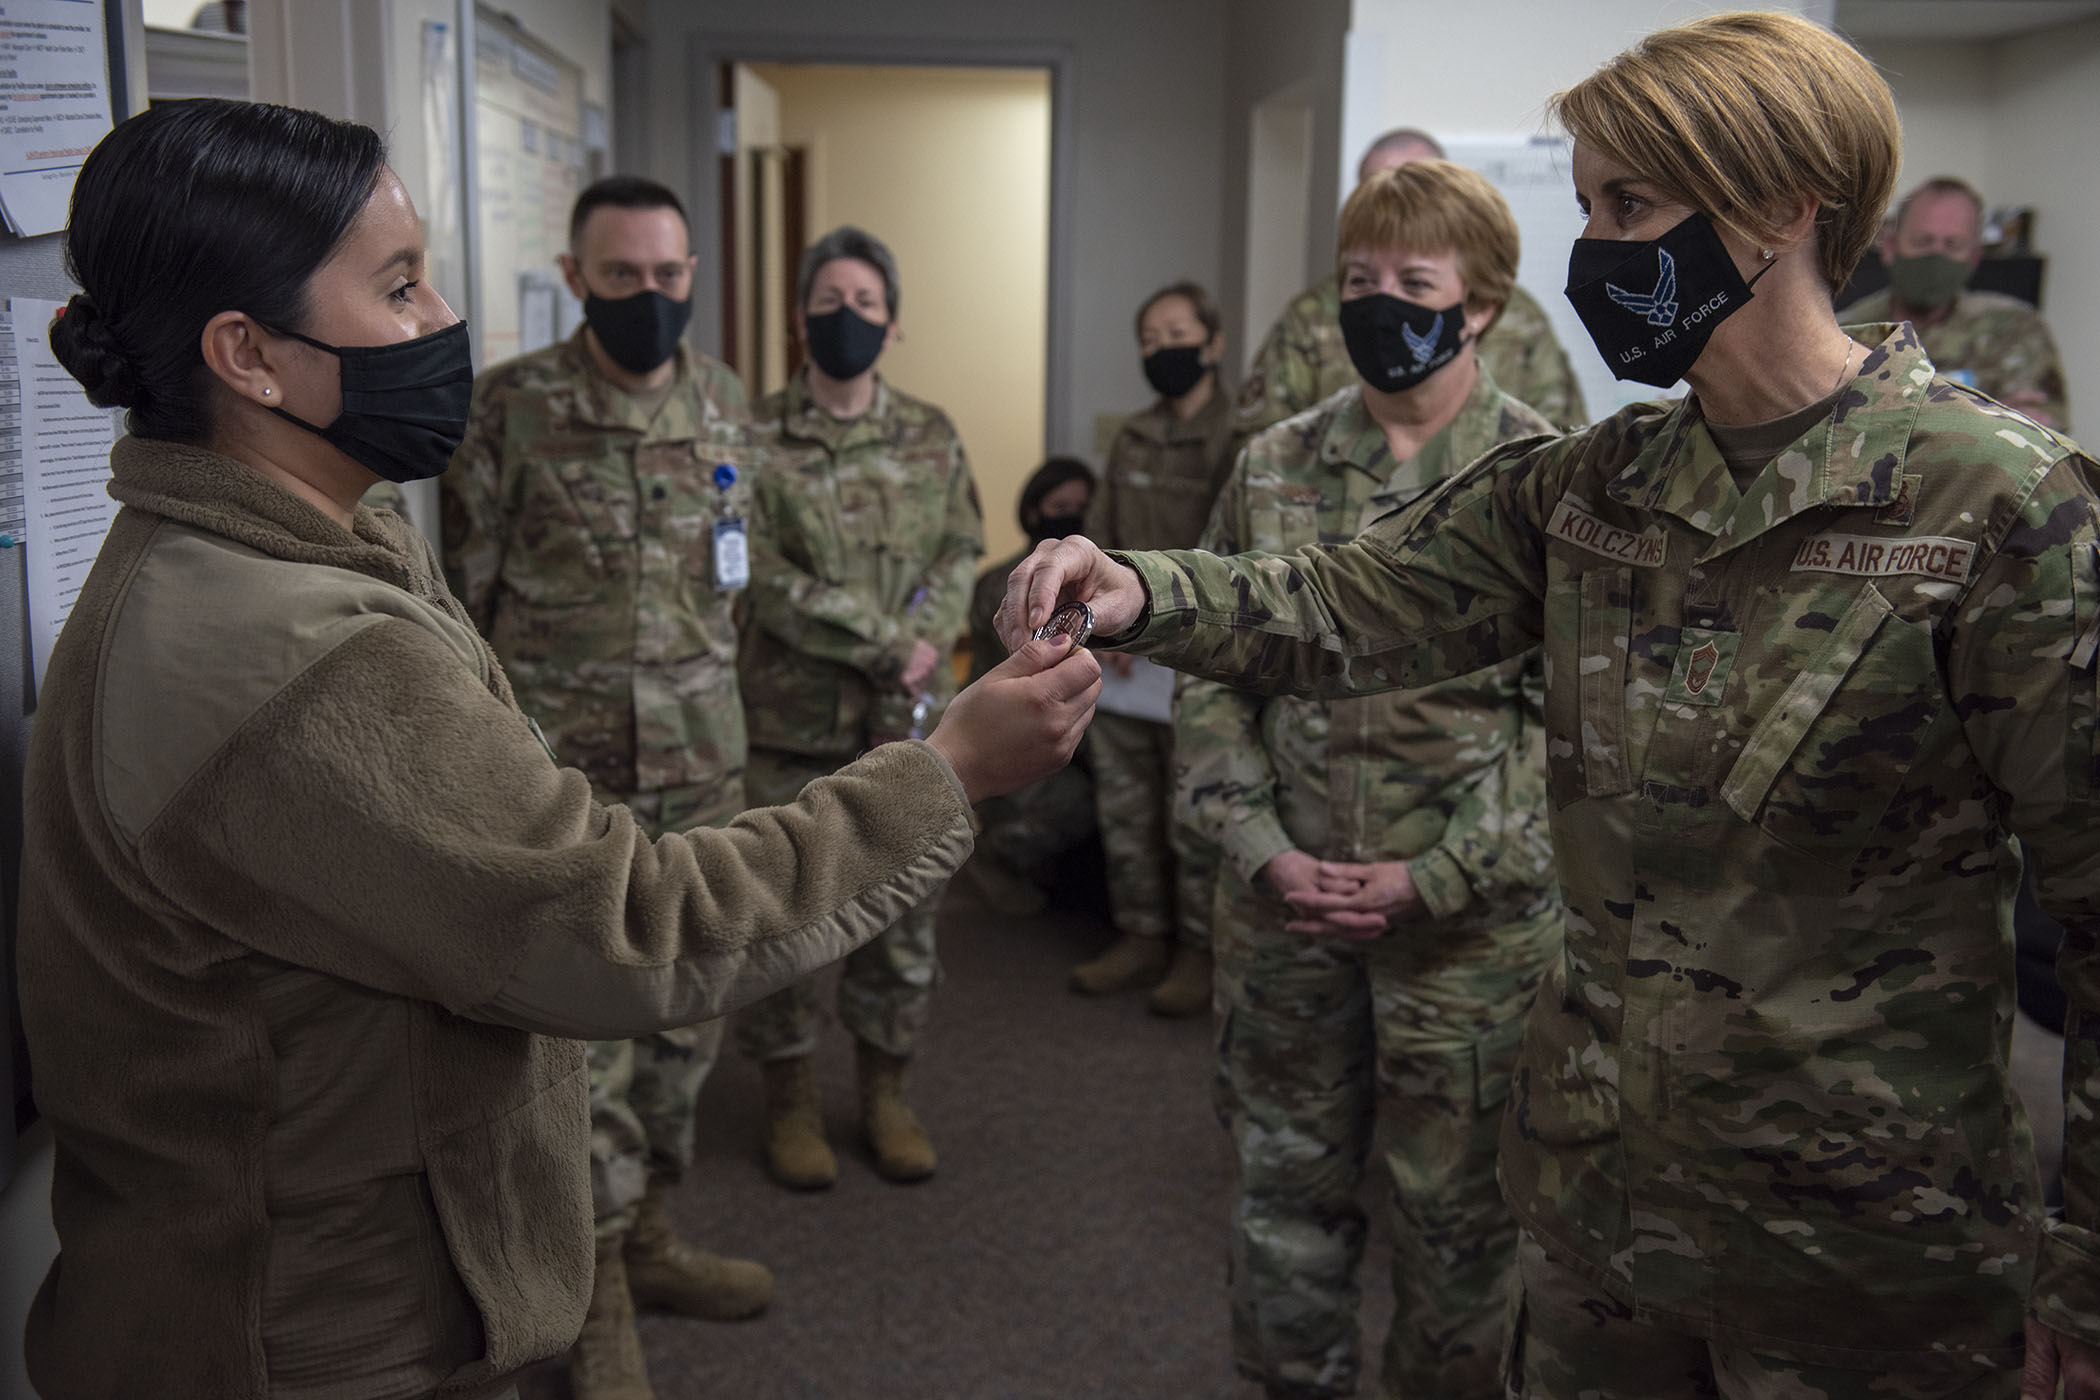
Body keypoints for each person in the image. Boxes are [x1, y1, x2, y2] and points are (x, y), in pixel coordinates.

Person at [1002, 13, 2100, 1397]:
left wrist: (2090, 1262)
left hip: (1863, 1260)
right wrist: (1134, 589)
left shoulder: (1995, 505)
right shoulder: (1595, 485)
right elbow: (1343, 602)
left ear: (1780, 207)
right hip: (1601, 1220)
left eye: (1628, 205)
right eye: (1588, 207)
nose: (1594, 251)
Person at [25, 98, 1095, 1400]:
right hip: (314, 1336)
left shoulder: (272, 556)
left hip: (322, 1278)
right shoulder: (290, 648)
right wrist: (955, 770)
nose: (439, 328)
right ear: (248, 354)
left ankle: (630, 1255)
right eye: (402, 286)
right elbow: (629, 932)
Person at [1176, 159, 1559, 1400]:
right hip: (1284, 908)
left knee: (1461, 1223)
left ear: (1482, 304)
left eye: (1413, 281)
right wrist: (1259, 847)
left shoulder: (1547, 479)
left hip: (1470, 936)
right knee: (1284, 1192)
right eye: (1358, 280)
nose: (1379, 302)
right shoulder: (1273, 463)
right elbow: (1210, 675)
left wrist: (1436, 873)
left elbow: (1573, 727)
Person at [441, 174, 766, 1398]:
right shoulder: (508, 409)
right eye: (621, 275)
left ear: (692, 276)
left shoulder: (729, 401)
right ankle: (594, 1303)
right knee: (584, 1055)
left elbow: (749, 581)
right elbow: (461, 609)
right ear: (576, 278)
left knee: (688, 1029)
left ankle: (653, 1230)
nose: (649, 296)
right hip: (568, 794)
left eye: (668, 275)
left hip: (707, 778)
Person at [735, 225, 985, 1190]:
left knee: (903, 916)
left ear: (893, 324)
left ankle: (885, 1092)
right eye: (830, 304)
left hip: (909, 723)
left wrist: (922, 637)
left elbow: (958, 548)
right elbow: (755, 572)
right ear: (801, 319)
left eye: (867, 306)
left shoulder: (929, 433)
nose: (848, 320)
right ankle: (788, 1100)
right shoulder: (751, 436)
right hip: (786, 722)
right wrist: (885, 639)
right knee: (780, 915)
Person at [1068, 280, 1234, 1018]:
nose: (1164, 350)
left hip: (1197, 659)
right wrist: (1105, 623)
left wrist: (1164, 626)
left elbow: (1239, 554)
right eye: (1149, 339)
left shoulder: (1243, 438)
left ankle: (1199, 951)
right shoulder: (1133, 437)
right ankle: (1141, 934)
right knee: (1126, 807)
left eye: (1178, 334)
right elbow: (1097, 539)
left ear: (1214, 342)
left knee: (1194, 812)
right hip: (1124, 660)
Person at [1233, 128, 1588, 441]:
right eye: (1377, 189)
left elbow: (1564, 443)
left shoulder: (1514, 313)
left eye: (1416, 191)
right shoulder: (1312, 315)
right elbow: (1258, 432)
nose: (1393, 205)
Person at [963, 456, 1102, 914]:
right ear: (1035, 511)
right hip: (1015, 724)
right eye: (1059, 504)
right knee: (1080, 804)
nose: (1071, 513)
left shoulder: (1100, 584)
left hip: (1084, 717)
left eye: (1081, 505)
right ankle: (993, 856)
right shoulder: (1005, 585)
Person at [1839, 175, 2072, 432]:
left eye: (1953, 245)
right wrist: (1985, 420)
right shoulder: (1847, 332)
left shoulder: (2014, 328)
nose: (1936, 255)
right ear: (1891, 247)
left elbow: (2041, 431)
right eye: (1922, 242)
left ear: (1974, 257)